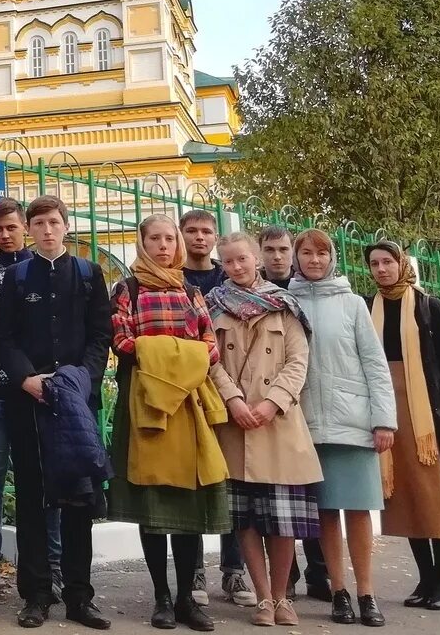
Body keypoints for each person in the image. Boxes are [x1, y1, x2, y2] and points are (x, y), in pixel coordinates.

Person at [109, 215, 230, 633]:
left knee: (188, 503)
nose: (163, 245)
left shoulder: (191, 291)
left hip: (187, 407)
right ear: (142, 243)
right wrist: (182, 353)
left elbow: (211, 347)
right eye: (154, 238)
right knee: (152, 503)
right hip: (144, 406)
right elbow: (122, 342)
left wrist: (161, 352)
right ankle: (160, 596)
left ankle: (186, 600)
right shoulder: (128, 289)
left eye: (168, 238)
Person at [0, 196, 112, 630]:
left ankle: (80, 596)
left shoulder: (88, 273)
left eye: (54, 222)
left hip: (76, 403)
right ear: (29, 228)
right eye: (39, 223)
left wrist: (84, 379)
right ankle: (37, 594)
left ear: (66, 226)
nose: (47, 230)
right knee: (32, 497)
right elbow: (3, 336)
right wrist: (25, 377)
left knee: (79, 499)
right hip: (29, 400)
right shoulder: (16, 275)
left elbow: (101, 334)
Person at [205, 233, 322, 629]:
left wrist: (272, 403)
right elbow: (210, 360)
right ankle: (263, 597)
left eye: (242, 259)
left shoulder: (286, 306)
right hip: (236, 423)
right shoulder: (214, 307)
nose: (236, 267)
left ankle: (284, 597)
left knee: (282, 519)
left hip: (279, 424)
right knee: (248, 519)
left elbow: (298, 360)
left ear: (256, 258)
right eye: (229, 262)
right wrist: (234, 401)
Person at [285, 229, 396, 628]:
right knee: (327, 511)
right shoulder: (287, 302)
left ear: (332, 257)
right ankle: (339, 592)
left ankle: (367, 593)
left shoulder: (352, 304)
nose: (314, 260)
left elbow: (375, 364)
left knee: (360, 510)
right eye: (306, 253)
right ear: (296, 258)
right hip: (309, 423)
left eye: (322, 253)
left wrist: (384, 420)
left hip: (354, 422)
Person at [364, 241, 440, 610]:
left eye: (387, 262)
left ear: (402, 264)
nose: (381, 269)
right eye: (374, 264)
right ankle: (425, 579)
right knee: (407, 496)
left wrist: (432, 394)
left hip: (425, 413)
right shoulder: (369, 308)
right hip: (387, 411)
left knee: (434, 495)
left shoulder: (428, 306)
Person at [0, 199, 61, 601]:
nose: (6, 234)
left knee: (47, 480)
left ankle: (52, 564)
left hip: (35, 389)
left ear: (24, 227)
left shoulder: (41, 269)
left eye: (12, 227)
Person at [180, 209, 255, 610]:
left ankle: (233, 568)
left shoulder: (229, 280)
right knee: (193, 480)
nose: (199, 237)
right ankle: (193, 569)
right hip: (188, 390)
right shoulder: (174, 279)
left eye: (206, 230)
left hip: (230, 391)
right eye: (191, 230)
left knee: (230, 481)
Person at [257, 225, 330, 602]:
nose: (277, 256)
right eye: (269, 249)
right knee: (272, 500)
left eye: (284, 249)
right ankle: (286, 577)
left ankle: (321, 572)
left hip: (310, 405)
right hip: (266, 409)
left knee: (309, 496)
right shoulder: (252, 295)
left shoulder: (306, 292)